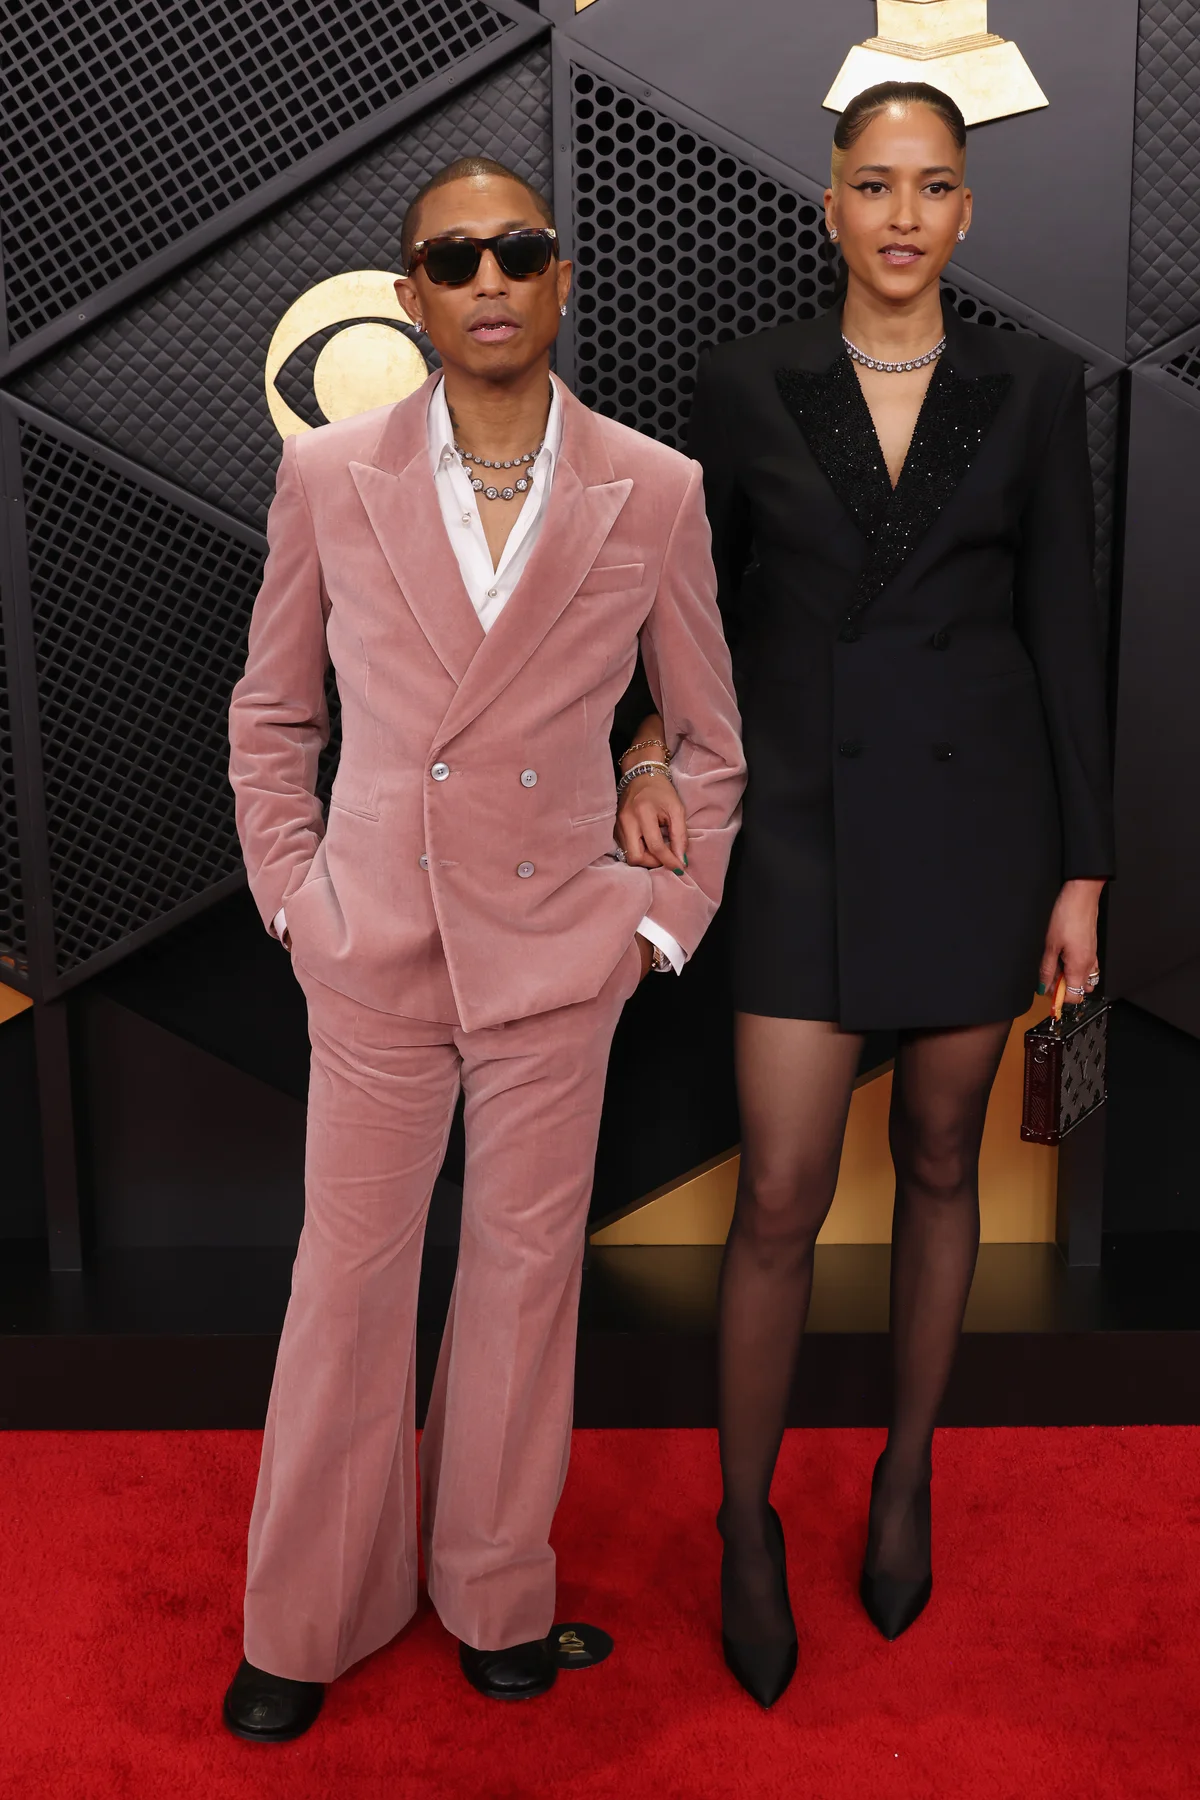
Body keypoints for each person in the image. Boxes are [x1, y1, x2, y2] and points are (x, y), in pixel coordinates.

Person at [224, 156, 744, 1741]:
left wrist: (655, 924)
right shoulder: (331, 476)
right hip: (372, 947)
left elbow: (708, 740)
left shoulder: (654, 486)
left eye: (519, 249)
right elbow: (272, 714)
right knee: (346, 1289)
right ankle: (308, 1614)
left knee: (524, 1288)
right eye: (456, 260)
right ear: (413, 298)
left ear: (561, 275)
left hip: (555, 958)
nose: (491, 278)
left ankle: (497, 1592)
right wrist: (297, 898)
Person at [616, 84, 1114, 1706]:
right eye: (877, 184)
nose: (904, 215)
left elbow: (1064, 629)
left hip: (981, 827)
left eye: (935, 185)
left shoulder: (1032, 385)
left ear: (967, 210)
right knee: (778, 1192)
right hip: (802, 823)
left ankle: (905, 1475)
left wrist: (1084, 870)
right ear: (828, 202)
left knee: (945, 1159)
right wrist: (646, 745)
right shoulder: (744, 380)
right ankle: (744, 1523)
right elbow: (687, 601)